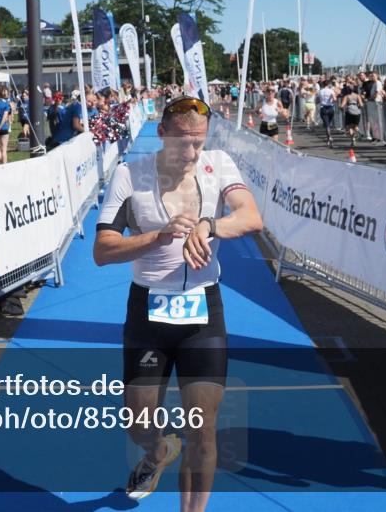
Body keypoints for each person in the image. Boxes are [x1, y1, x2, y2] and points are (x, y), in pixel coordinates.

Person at [93, 96, 263, 510]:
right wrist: (158, 236)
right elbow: (102, 249)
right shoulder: (129, 175)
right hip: (148, 309)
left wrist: (210, 224)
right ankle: (156, 451)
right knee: (138, 424)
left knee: (202, 429)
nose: (190, 153)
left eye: (198, 143)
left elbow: (251, 216)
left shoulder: (219, 165)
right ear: (162, 133)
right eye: (182, 142)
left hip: (202, 310)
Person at [0, 85, 12, 164]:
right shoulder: (6, 104)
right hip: (3, 128)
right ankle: (5, 166)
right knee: (4, 149)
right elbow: (5, 117)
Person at [316, 79, 337, 148]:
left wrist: (320, 100)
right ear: (328, 84)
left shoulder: (320, 91)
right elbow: (335, 99)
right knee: (328, 124)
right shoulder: (331, 91)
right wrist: (331, 100)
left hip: (323, 108)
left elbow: (317, 100)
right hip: (330, 108)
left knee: (327, 125)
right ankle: (329, 138)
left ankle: (329, 137)